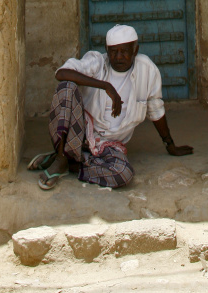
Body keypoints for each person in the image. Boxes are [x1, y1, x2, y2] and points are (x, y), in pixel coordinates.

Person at [29, 24, 193, 190]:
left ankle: (70, 163)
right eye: (113, 52)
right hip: (79, 135)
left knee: (123, 173)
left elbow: (156, 110)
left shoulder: (147, 70)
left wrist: (170, 145)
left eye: (124, 52)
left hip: (109, 144)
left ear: (135, 51)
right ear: (107, 51)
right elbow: (61, 73)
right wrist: (105, 86)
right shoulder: (98, 62)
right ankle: (62, 156)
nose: (119, 57)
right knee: (66, 87)